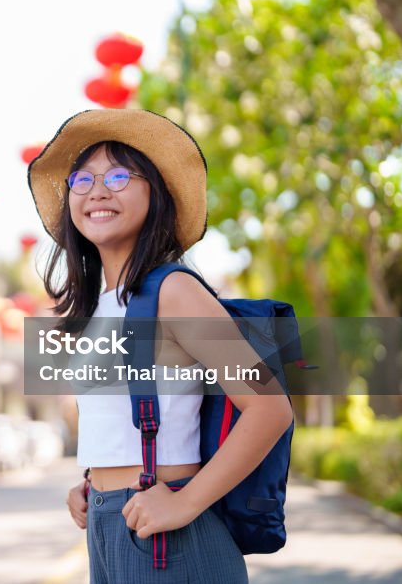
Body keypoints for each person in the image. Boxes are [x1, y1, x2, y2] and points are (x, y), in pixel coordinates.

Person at [26, 108, 293, 583]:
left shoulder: (174, 291)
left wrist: (186, 501)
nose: (99, 190)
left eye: (120, 175)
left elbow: (270, 407)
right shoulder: (97, 307)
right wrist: (91, 486)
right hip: (110, 527)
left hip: (172, 538)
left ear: (157, 193)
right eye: (82, 180)